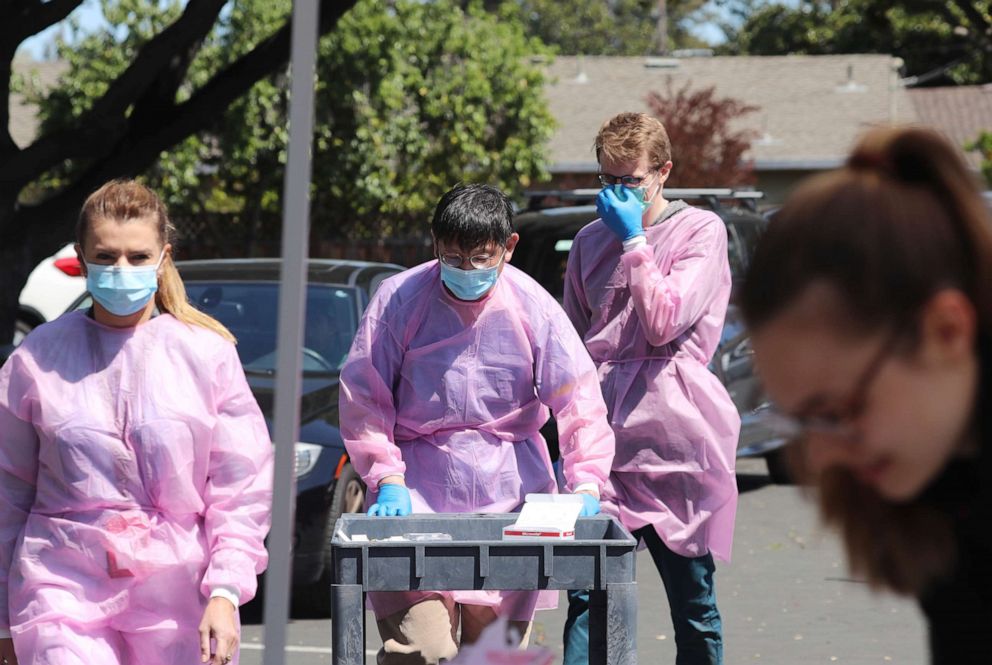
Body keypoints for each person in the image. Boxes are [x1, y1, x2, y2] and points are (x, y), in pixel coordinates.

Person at [739, 126, 992, 663]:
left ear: (946, 332)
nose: (822, 457)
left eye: (835, 412)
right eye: (800, 422)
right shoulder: (934, 489)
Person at [339, 183, 616, 665]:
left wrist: (587, 483)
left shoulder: (531, 306)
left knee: (491, 657)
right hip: (417, 492)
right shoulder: (399, 300)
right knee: (421, 650)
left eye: (480, 259)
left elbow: (579, 399)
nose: (466, 271)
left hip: (509, 492)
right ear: (435, 244)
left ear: (508, 247)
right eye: (454, 257)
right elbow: (364, 394)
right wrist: (385, 476)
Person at [0, 180, 273, 665]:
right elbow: (7, 491)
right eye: (105, 257)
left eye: (137, 256)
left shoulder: (205, 355)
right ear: (81, 259)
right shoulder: (37, 359)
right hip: (61, 587)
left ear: (163, 258)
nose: (120, 270)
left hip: (176, 596)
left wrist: (226, 591)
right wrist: (3, 617)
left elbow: (240, 488)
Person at [562, 112, 740, 665]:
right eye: (606, 180)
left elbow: (664, 322)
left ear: (662, 173)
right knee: (588, 599)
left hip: (673, 443)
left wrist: (635, 240)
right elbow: (570, 343)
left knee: (693, 603)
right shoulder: (588, 242)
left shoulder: (700, 231)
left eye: (630, 180)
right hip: (602, 446)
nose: (617, 192)